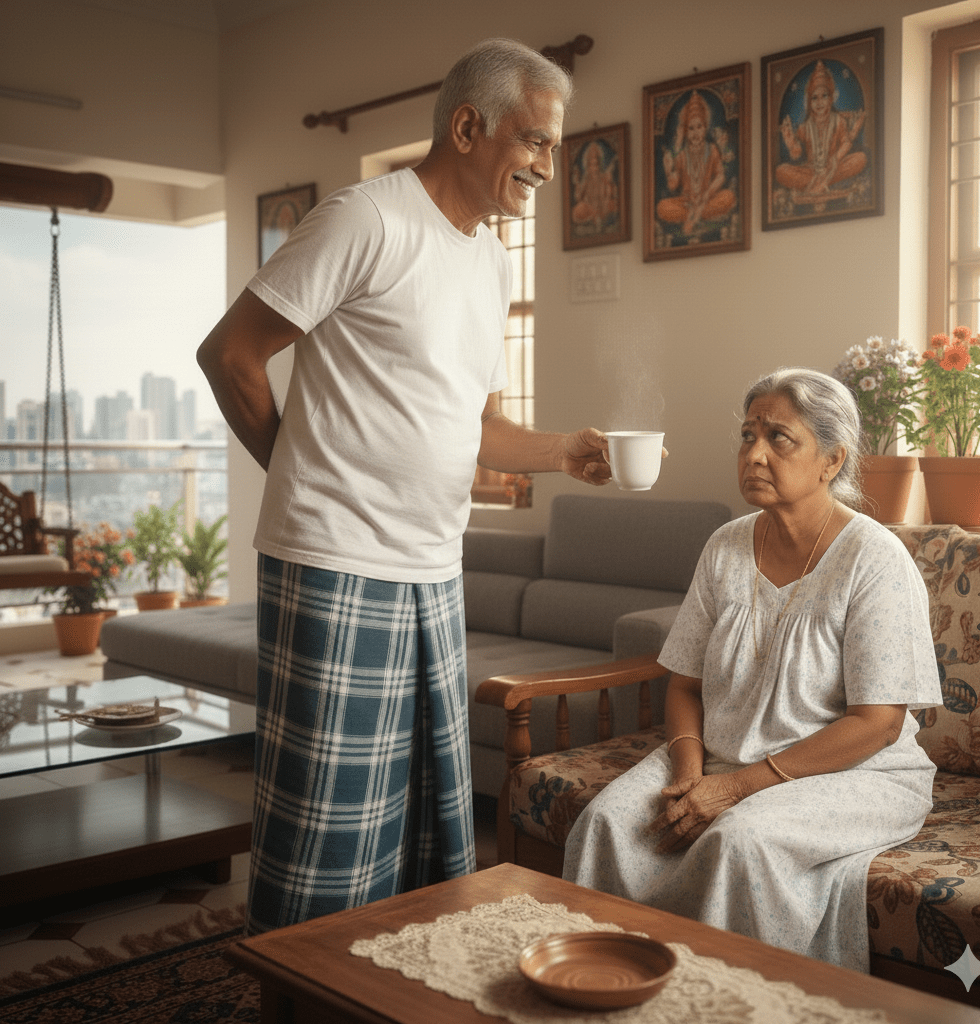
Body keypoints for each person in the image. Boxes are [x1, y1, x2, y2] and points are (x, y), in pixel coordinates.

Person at [197, 38, 614, 936]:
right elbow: (229, 354)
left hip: (431, 570)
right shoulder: (366, 220)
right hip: (336, 563)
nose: (548, 163)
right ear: (467, 127)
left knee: (430, 825)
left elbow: (477, 425)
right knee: (327, 832)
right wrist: (300, 472)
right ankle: (301, 995)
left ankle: (398, 988)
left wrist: (564, 450)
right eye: (535, 141)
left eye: (552, 145)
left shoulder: (490, 259)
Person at [563, 368, 941, 973]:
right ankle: (609, 986)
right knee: (606, 822)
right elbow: (684, 684)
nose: (754, 454)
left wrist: (736, 789)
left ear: (831, 459)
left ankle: (728, 1000)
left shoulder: (874, 558)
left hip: (858, 770)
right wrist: (690, 775)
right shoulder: (726, 546)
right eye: (746, 436)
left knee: (740, 839)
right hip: (722, 754)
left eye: (778, 438)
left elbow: (876, 724)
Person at [775, 60, 867, 197]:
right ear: (809, 102)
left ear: (831, 98)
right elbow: (796, 154)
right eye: (814, 98)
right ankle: (822, 182)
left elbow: (847, 142)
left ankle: (816, 185)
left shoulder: (838, 121)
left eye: (824, 96)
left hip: (834, 167)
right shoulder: (805, 127)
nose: (819, 102)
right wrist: (791, 143)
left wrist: (835, 159)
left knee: (860, 158)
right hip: (811, 170)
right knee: (780, 171)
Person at [657, 90, 735, 235]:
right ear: (685, 131)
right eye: (691, 128)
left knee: (728, 197)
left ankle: (694, 217)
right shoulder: (681, 155)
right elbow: (673, 186)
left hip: (707, 199)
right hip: (686, 202)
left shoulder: (712, 150)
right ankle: (697, 215)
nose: (695, 133)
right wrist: (669, 171)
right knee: (662, 207)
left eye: (699, 127)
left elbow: (720, 176)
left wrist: (707, 194)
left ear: (705, 128)